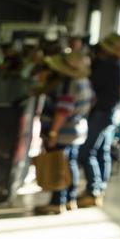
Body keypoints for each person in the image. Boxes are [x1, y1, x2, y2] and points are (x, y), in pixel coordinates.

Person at [35, 52, 94, 215]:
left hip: (64, 131)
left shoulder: (69, 85)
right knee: (71, 163)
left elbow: (62, 111)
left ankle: (57, 202)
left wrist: (53, 133)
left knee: (59, 165)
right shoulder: (84, 81)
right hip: (78, 128)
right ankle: (70, 199)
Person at [82, 34, 120, 207]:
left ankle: (93, 190)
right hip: (113, 111)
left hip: (103, 112)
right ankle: (99, 189)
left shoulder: (107, 66)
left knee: (86, 152)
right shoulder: (119, 65)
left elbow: (95, 85)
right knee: (103, 151)